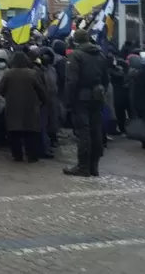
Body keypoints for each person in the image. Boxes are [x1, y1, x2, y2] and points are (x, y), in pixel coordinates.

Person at [63, 29, 110, 177]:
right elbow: (106, 79)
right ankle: (94, 166)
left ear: (76, 41)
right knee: (96, 130)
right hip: (97, 96)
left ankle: (83, 166)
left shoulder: (76, 55)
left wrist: (68, 100)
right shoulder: (100, 54)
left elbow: (71, 80)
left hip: (81, 97)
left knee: (83, 132)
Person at [0, 51, 47, 162]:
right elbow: (41, 90)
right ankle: (32, 156)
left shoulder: (8, 73)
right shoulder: (32, 73)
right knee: (30, 133)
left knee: (14, 133)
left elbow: (1, 90)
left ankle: (17, 155)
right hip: (31, 107)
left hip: (13, 107)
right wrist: (43, 101)